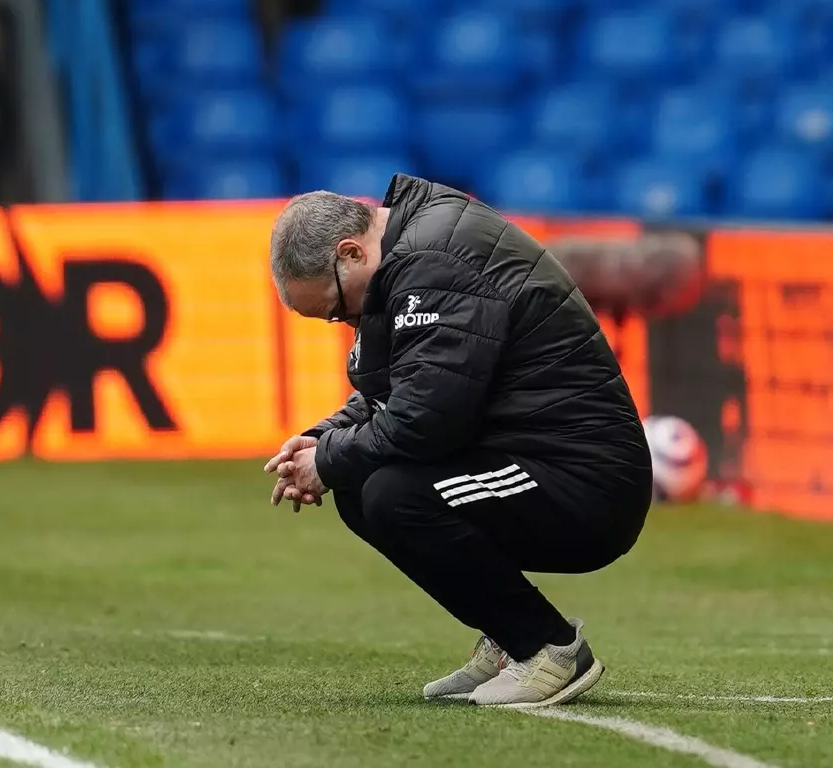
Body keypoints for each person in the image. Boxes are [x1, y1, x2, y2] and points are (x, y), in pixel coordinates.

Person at [264, 173, 653, 708]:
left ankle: (548, 648)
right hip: (527, 457)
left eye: (335, 309)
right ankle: (507, 642)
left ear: (350, 252)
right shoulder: (406, 256)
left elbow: (426, 418)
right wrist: (320, 440)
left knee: (394, 495)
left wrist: (329, 460)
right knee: (361, 484)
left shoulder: (434, 263)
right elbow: (399, 391)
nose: (341, 321)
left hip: (584, 481)